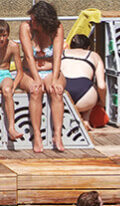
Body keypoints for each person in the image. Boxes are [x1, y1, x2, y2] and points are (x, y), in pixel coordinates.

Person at [19, 1, 65, 153]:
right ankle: (37, 135)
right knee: (35, 90)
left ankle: (57, 135)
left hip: (51, 69)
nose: (31, 22)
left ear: (43, 21)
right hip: (29, 70)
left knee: (57, 91)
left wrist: (54, 78)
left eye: (34, 20)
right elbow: (28, 56)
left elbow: (58, 56)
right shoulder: (25, 28)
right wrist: (37, 78)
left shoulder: (57, 29)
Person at [60, 34, 105, 130]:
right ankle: (85, 120)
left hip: (62, 93)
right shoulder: (94, 56)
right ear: (88, 47)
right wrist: (102, 102)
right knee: (92, 86)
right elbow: (102, 86)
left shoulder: (62, 53)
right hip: (85, 97)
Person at [0, 19, 24, 141]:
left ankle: (11, 128)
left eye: (4, 36)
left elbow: (20, 71)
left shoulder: (13, 46)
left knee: (8, 90)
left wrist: (14, 86)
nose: (1, 39)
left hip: (4, 74)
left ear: (8, 35)